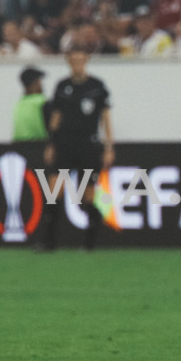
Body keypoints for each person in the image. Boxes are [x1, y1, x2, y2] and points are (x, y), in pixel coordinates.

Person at [40, 47, 114, 251]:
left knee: (86, 196)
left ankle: (90, 243)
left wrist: (109, 147)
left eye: (81, 60)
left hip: (88, 146)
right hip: (64, 145)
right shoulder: (62, 86)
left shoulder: (97, 87)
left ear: (87, 60)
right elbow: (56, 119)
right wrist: (51, 144)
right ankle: (49, 243)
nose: (78, 64)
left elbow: (106, 119)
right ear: (68, 62)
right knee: (54, 190)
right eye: (74, 60)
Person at [12, 65, 49, 141]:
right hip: (38, 147)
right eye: (40, 82)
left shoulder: (19, 104)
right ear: (35, 83)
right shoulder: (42, 102)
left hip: (18, 147)